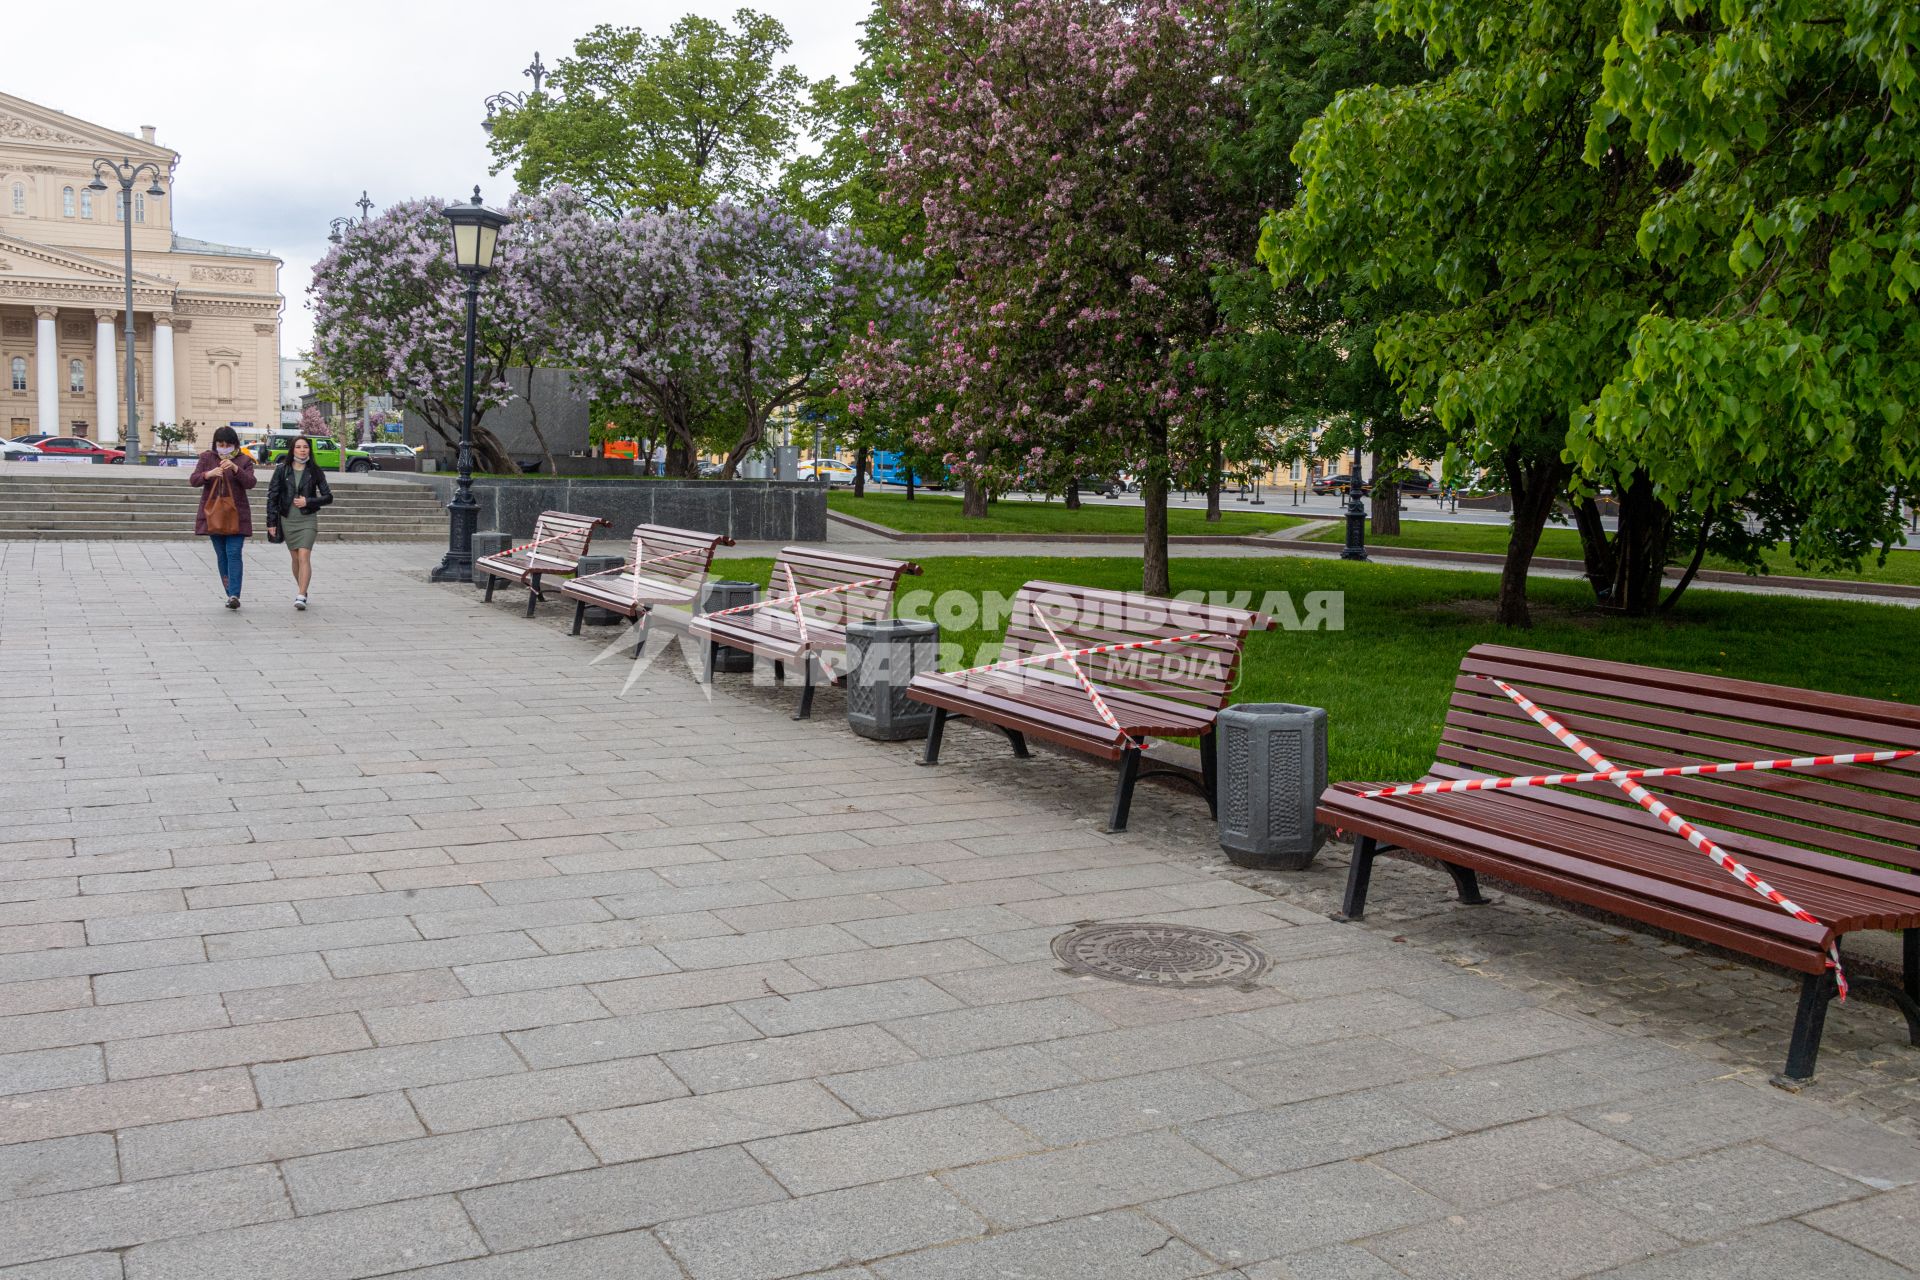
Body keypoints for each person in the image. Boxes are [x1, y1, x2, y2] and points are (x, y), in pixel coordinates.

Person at [189, 426, 256, 609]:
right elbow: (193, 480)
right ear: (215, 444)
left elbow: (251, 483)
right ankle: (229, 592)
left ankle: (234, 594)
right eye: (221, 444)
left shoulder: (244, 460)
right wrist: (208, 474)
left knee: (233, 553)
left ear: (235, 444)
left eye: (228, 444)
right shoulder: (207, 458)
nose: (224, 447)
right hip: (214, 515)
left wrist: (235, 468)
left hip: (237, 515)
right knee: (222, 555)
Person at [266, 434, 334, 610]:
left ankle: (301, 595)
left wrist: (308, 501)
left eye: (305, 447)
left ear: (309, 450)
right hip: (288, 519)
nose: (302, 450)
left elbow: (328, 497)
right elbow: (272, 497)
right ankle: (303, 588)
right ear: (292, 449)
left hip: (307, 519)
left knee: (304, 555)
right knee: (295, 558)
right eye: (298, 447)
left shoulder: (315, 471)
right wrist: (271, 522)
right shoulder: (282, 470)